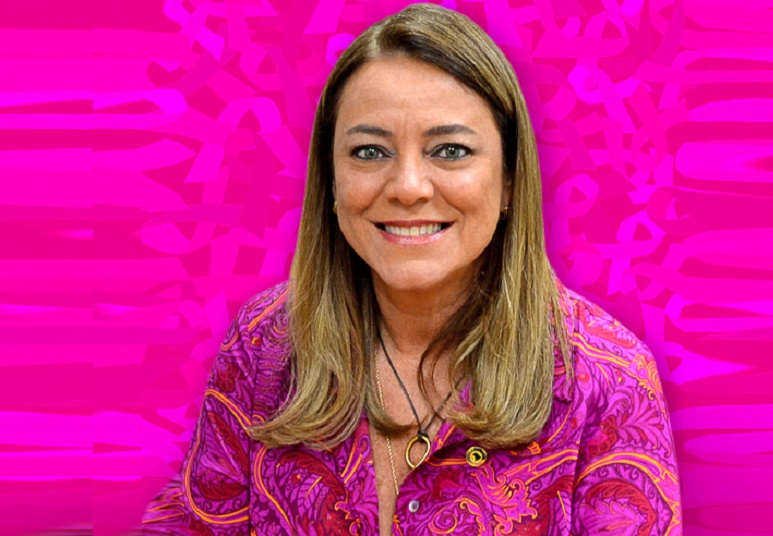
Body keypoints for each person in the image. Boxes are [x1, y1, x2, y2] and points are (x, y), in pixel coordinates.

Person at [142, 4, 681, 535]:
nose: (408, 187)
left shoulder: (608, 378)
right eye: (370, 152)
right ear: (331, 181)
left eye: (450, 150)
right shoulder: (265, 342)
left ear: (509, 181)